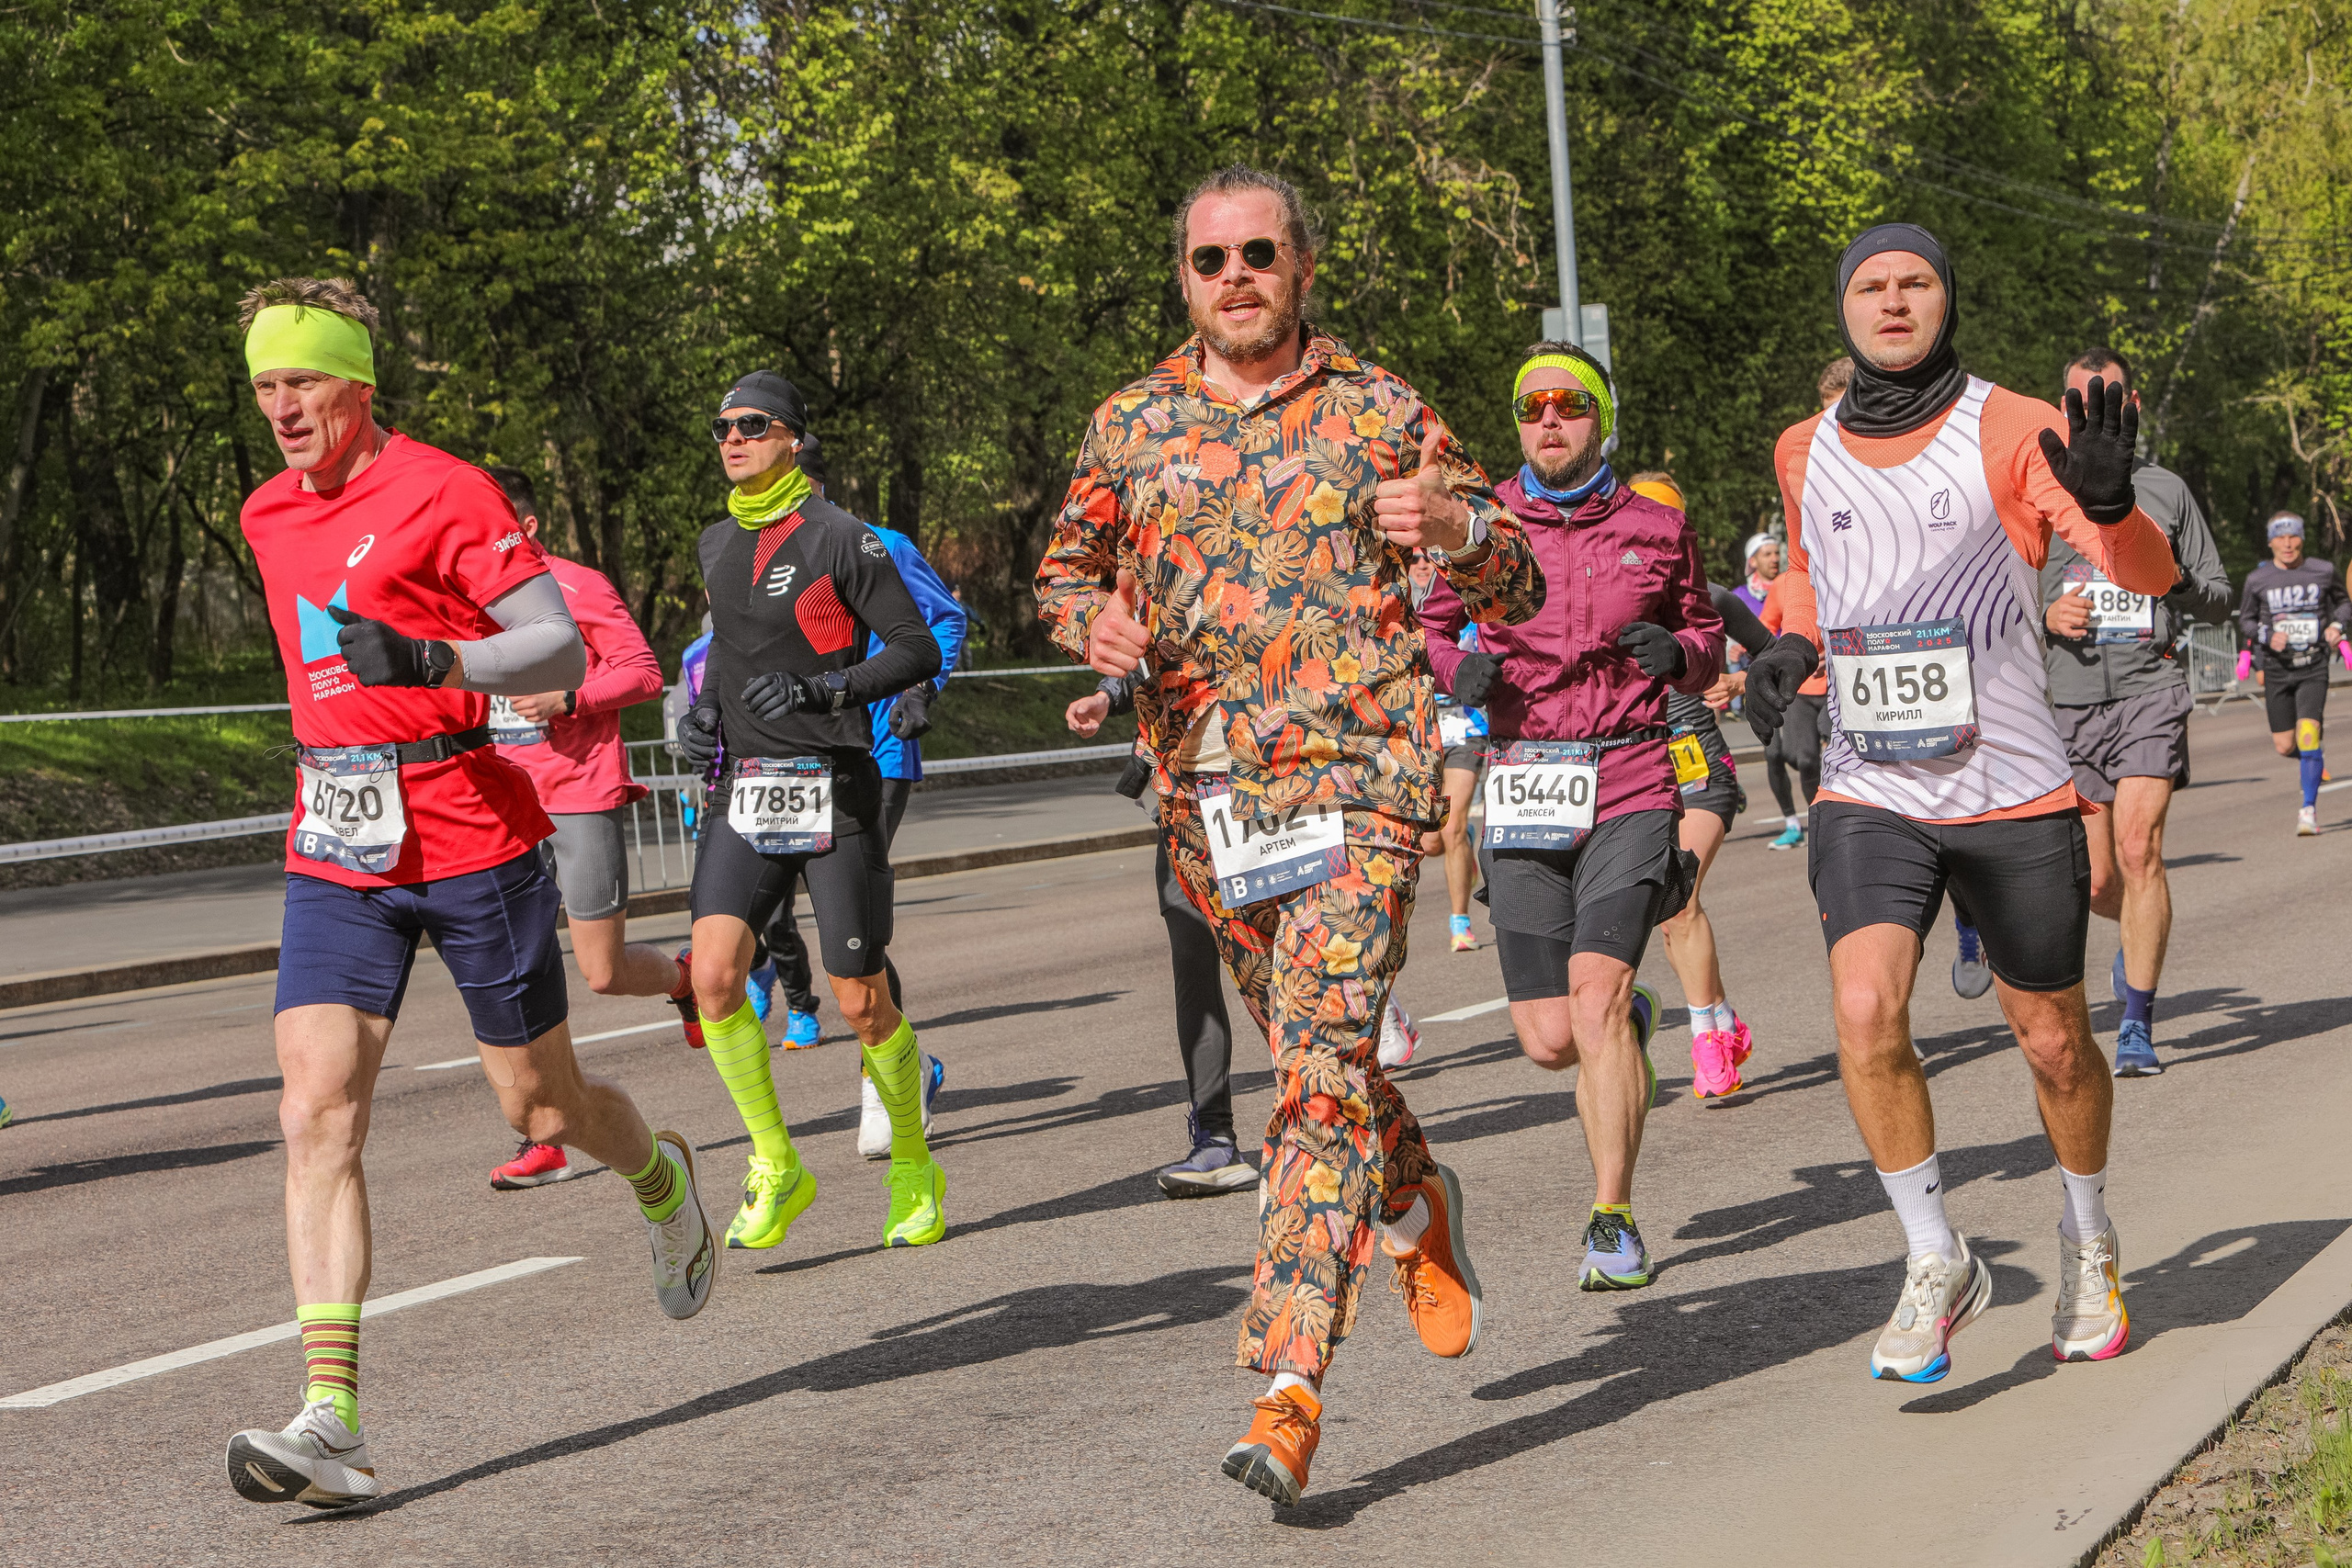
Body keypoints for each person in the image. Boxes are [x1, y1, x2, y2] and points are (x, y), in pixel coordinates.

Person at [1035, 164, 1540, 1507]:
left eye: (1261, 252)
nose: (1237, 275)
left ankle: (1289, 1386)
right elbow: (1063, 567)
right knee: (1310, 1047)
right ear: (1185, 279)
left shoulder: (1384, 410)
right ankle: (1419, 1194)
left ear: (1302, 266)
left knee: (1314, 1076)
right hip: (1210, 799)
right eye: (1212, 259)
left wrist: (1455, 527)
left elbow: (1516, 569)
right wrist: (1092, 621)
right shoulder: (1130, 423)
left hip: (1366, 781)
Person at [229, 277, 716, 1509]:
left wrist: (435, 657)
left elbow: (555, 646)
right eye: (265, 386)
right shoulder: (267, 512)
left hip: (466, 823)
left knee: (542, 1107)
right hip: (336, 836)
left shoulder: (445, 489)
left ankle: (659, 1176)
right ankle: (330, 1410)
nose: (283, 407)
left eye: (303, 382)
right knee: (316, 1107)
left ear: (357, 384)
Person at [1742, 224, 2177, 1384]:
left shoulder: (2013, 423)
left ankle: (2087, 1236)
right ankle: (1936, 1256)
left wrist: (2110, 499)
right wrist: (1786, 645)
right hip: (1869, 784)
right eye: (1870, 287)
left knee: (2051, 1045)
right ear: (1843, 309)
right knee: (1862, 1005)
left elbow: (2138, 576)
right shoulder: (1804, 444)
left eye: (1916, 283)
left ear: (1948, 299)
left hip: (2011, 785)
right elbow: (1805, 569)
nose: (1892, 303)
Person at [1423, 352, 1722, 1294]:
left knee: (1591, 997)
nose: (1549, 421)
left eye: (1570, 405)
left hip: (1630, 771)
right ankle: (1628, 1023)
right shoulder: (1482, 528)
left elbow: (1707, 632)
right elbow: (1427, 625)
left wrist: (1677, 649)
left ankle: (1612, 1216)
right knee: (1550, 1039)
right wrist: (1452, 670)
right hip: (1524, 778)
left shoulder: (1658, 527)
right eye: (1531, 407)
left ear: (1602, 418)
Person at [675, 368, 948, 1256]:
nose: (733, 438)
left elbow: (910, 647)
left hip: (833, 782)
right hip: (746, 786)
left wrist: (827, 685)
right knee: (714, 976)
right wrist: (708, 710)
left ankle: (914, 1161)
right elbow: (729, 646)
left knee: (859, 1001)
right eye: (722, 427)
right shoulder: (719, 542)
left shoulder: (843, 538)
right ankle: (776, 1161)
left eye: (752, 424)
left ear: (794, 436)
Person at [479, 465, 697, 1190]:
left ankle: (682, 978)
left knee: (600, 972)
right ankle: (544, 1132)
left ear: (529, 527)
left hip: (578, 792)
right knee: (517, 975)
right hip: (501, 801)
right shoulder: (465, 596)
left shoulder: (578, 586)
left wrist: (568, 697)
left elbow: (641, 671)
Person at [756, 434, 967, 1146]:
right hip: (792, 762)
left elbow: (945, 616)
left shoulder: (875, 541)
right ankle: (911, 1066)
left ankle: (887, 1085)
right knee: (820, 922)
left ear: (811, 483)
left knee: (853, 923)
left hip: (875, 745)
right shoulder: (752, 551)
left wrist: (923, 686)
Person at [2037, 349, 2233, 1075]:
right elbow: (1996, 598)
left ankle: (2137, 1024)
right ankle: (2137, 945)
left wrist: (2165, 577)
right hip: (2072, 702)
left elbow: (2216, 592)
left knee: (2139, 849)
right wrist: (2044, 611)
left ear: (2134, 404)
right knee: (2096, 883)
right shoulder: (2037, 493)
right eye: (2081, 400)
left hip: (2151, 690)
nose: (2095, 413)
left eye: (2110, 399)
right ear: (2061, 407)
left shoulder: (2165, 490)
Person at [1067, 673, 1255, 1196]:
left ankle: (1330, 1114)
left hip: (1266, 781)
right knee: (1192, 961)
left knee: (1276, 963)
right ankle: (1216, 1139)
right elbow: (1149, 647)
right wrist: (1107, 695)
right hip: (1182, 796)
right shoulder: (1168, 589)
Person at [1624, 472, 1772, 1100]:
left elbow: (1775, 653)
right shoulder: (1597, 599)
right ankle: (1723, 1017)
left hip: (1701, 770)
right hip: (1634, 775)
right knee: (1664, 913)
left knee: (1680, 896)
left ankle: (1708, 1038)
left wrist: (1738, 683)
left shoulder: (1710, 596)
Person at [2236, 511, 2348, 836]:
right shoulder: (2258, 579)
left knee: (2309, 734)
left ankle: (2308, 811)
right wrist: (2266, 636)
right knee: (2286, 746)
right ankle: (2312, 758)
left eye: (2293, 536)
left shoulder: (2323, 571)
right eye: (2280, 538)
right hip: (2277, 669)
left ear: (2302, 538)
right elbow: (2245, 620)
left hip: (2313, 665)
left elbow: (2343, 603)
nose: (2287, 544)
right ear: (2270, 542)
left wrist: (2337, 625)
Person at [1409, 549, 1495, 953]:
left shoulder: (1464, 601)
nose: (1423, 565)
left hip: (1467, 729)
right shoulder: (1398, 611)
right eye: (1414, 560)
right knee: (1431, 842)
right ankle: (1461, 841)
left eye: (1429, 558)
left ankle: (1460, 922)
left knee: (1453, 823)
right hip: (1424, 733)